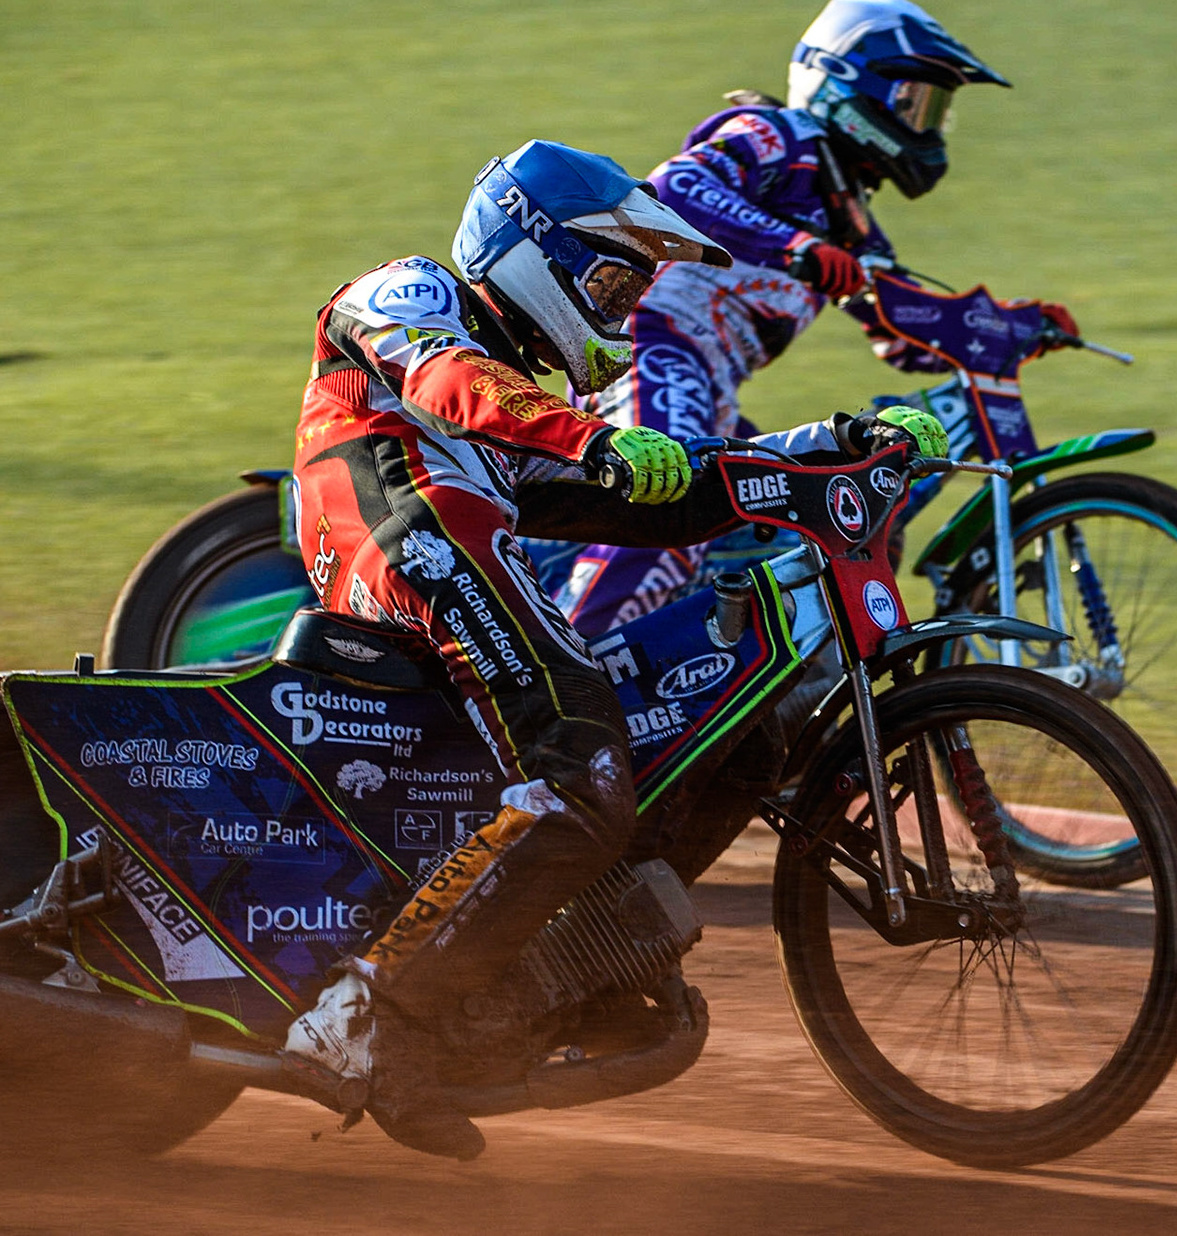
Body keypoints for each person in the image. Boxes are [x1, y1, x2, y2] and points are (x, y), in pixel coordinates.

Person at [281, 139, 947, 1160]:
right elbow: (453, 381)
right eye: (607, 278)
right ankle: (358, 1015)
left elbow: (671, 497)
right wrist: (589, 439)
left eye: (633, 287)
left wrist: (827, 448)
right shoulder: (409, 294)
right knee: (583, 760)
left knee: (745, 739)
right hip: (397, 538)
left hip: (451, 547)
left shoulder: (537, 402)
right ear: (525, 246)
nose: (622, 308)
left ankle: (564, 970)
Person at [556, 0, 1076, 637]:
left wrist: (1008, 328)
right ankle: (558, 677)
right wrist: (795, 247)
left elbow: (902, 332)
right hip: (654, 349)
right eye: (915, 100)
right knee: (669, 516)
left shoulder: (851, 219)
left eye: (936, 108)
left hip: (709, 385)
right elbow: (676, 186)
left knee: (784, 522)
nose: (929, 123)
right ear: (849, 84)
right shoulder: (780, 137)